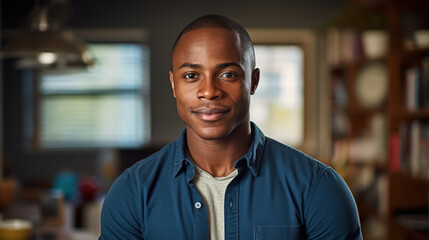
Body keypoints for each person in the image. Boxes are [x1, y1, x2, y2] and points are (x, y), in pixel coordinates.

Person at [99, 14, 362, 240]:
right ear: (173, 84)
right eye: (191, 76)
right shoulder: (132, 192)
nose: (209, 91)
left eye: (228, 75)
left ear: (254, 81)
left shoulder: (319, 188)